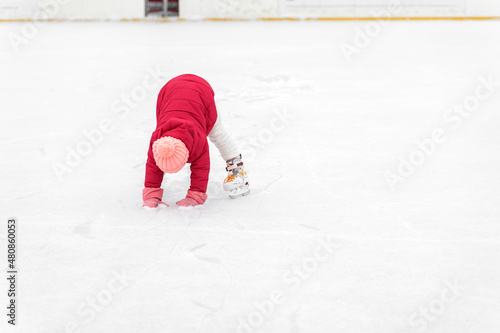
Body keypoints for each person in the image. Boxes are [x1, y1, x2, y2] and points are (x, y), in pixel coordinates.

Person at [142, 74, 250, 208]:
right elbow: (153, 166)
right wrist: (151, 194)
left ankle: (237, 168)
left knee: (217, 133)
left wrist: (195, 196)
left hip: (201, 93)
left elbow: (201, 168)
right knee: (164, 119)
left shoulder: (197, 141)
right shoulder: (157, 141)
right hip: (170, 91)